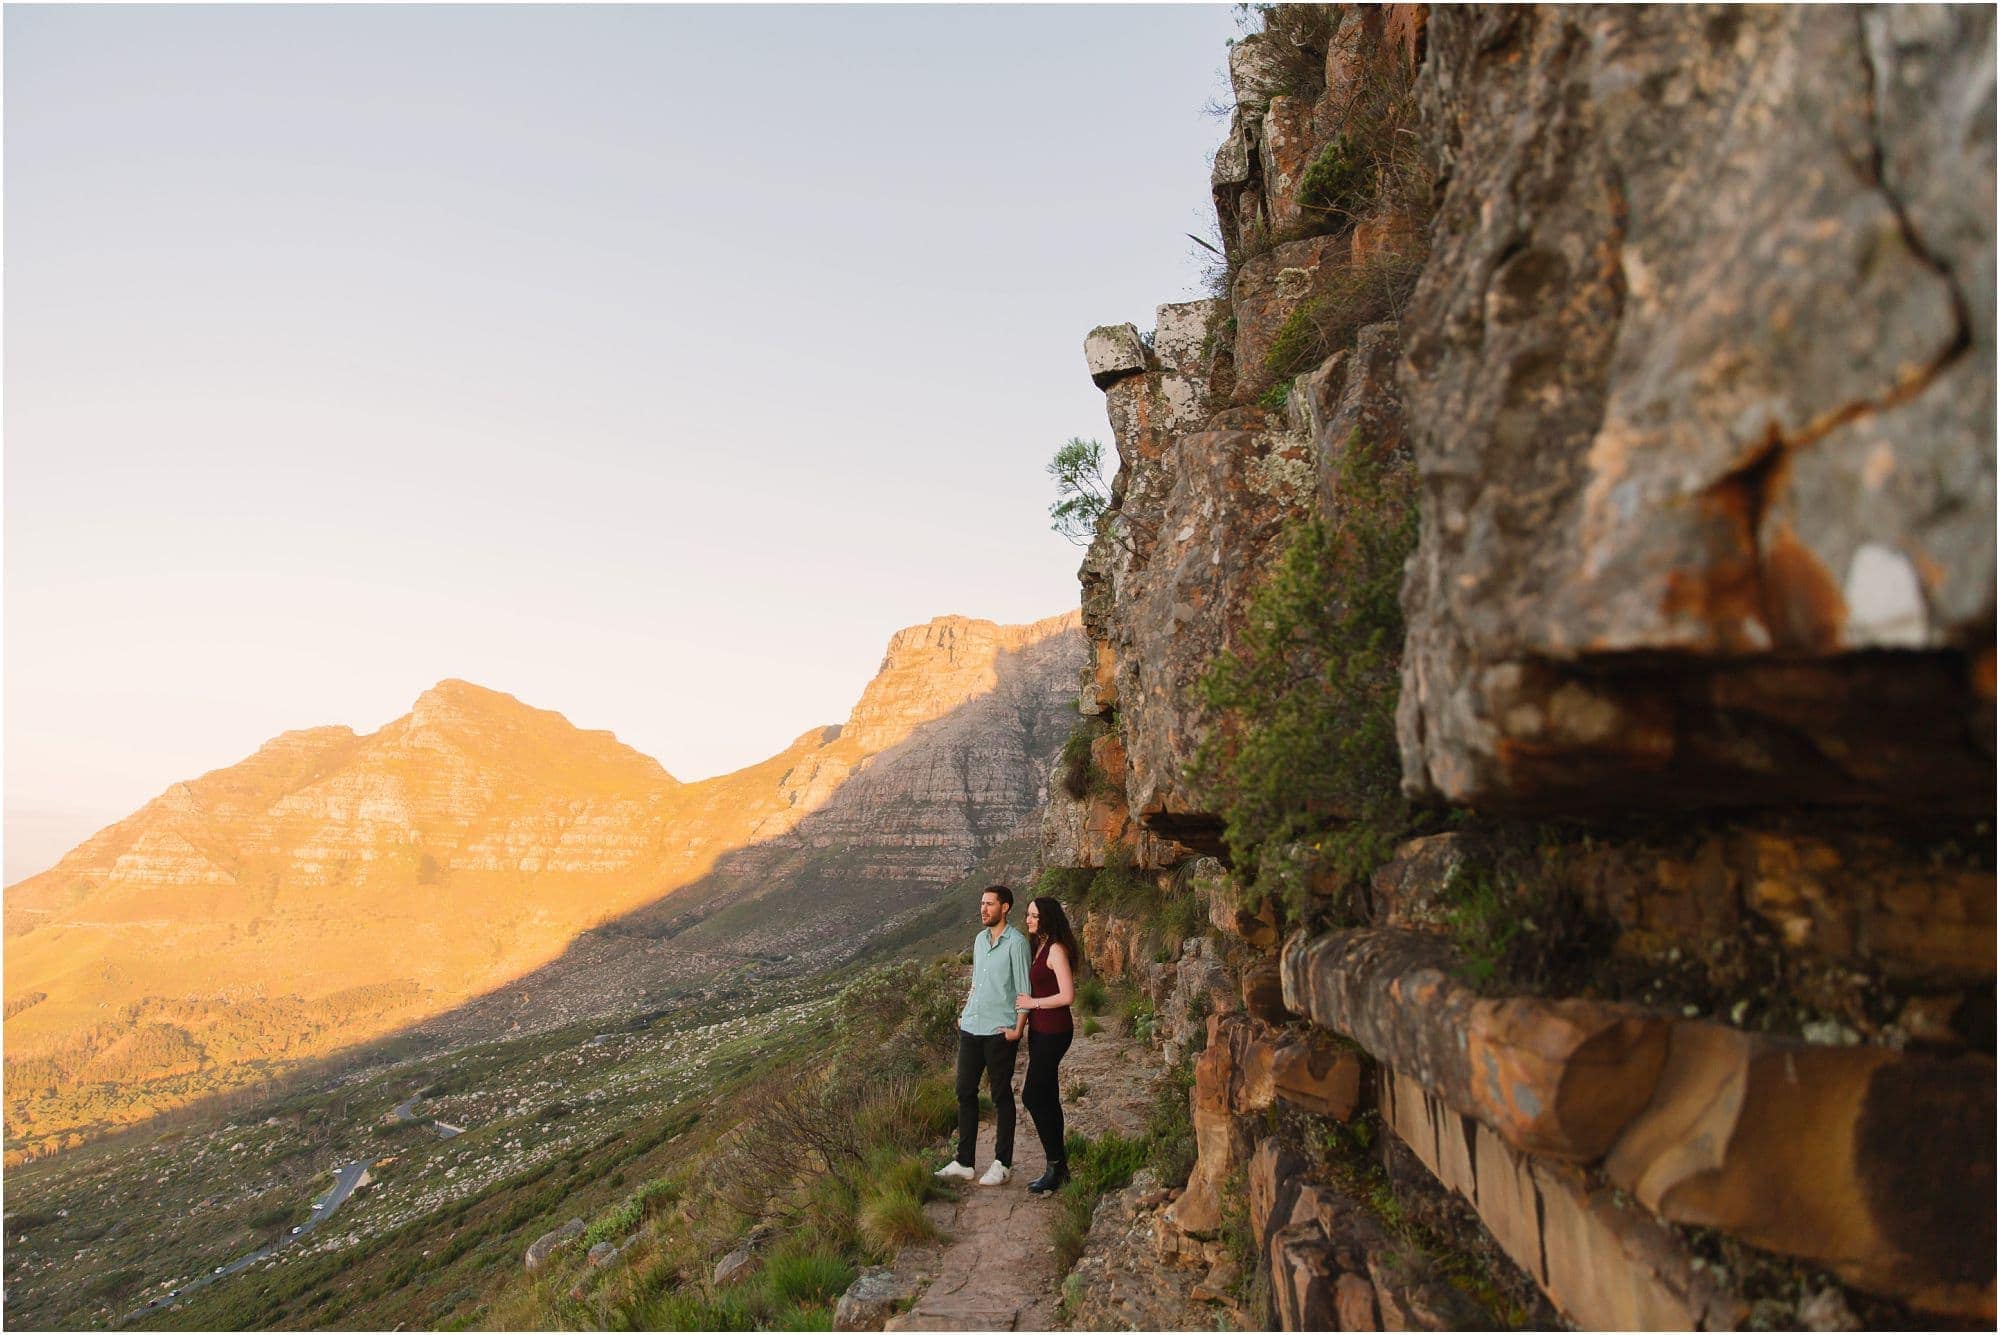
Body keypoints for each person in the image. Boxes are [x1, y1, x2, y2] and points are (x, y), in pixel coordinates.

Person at [936, 884, 1032, 1187]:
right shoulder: (979, 940)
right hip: (971, 1028)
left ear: (1005, 907)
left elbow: (1023, 991)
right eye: (981, 903)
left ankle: (1002, 1164)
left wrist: (1018, 1029)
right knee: (965, 1092)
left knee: (1001, 1096)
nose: (983, 909)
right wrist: (965, 1013)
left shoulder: (1016, 943)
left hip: (998, 1032)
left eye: (989, 904)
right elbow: (978, 983)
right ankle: (964, 1162)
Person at [1016, 896, 1079, 1194]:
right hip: (1041, 1032)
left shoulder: (1055, 949)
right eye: (1028, 915)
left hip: (1055, 1032)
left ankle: (1055, 1164)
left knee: (1032, 1095)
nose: (1028, 920)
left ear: (1047, 918)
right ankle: (1059, 1167)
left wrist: (1034, 1003)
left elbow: (1067, 996)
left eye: (1033, 916)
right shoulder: (1039, 945)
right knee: (1049, 1097)